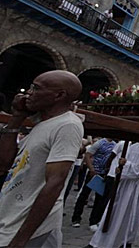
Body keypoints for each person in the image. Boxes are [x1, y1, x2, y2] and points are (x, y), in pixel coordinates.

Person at [0, 70, 83, 247]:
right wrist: (17, 117)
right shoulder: (42, 123)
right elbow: (4, 164)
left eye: (36, 88)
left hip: (28, 228)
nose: (28, 93)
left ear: (59, 95)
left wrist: (21, 240)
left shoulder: (67, 125)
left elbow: (55, 183)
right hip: (10, 218)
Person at [87, 142, 139, 248]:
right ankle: (100, 241)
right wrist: (119, 169)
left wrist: (125, 165)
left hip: (134, 187)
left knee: (127, 215)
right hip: (122, 184)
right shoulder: (127, 145)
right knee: (114, 211)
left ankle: (123, 241)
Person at [71, 137, 116, 230]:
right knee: (84, 194)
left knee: (99, 198)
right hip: (94, 172)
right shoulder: (100, 143)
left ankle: (94, 220)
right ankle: (76, 218)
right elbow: (88, 154)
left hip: (104, 174)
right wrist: (91, 168)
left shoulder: (115, 145)